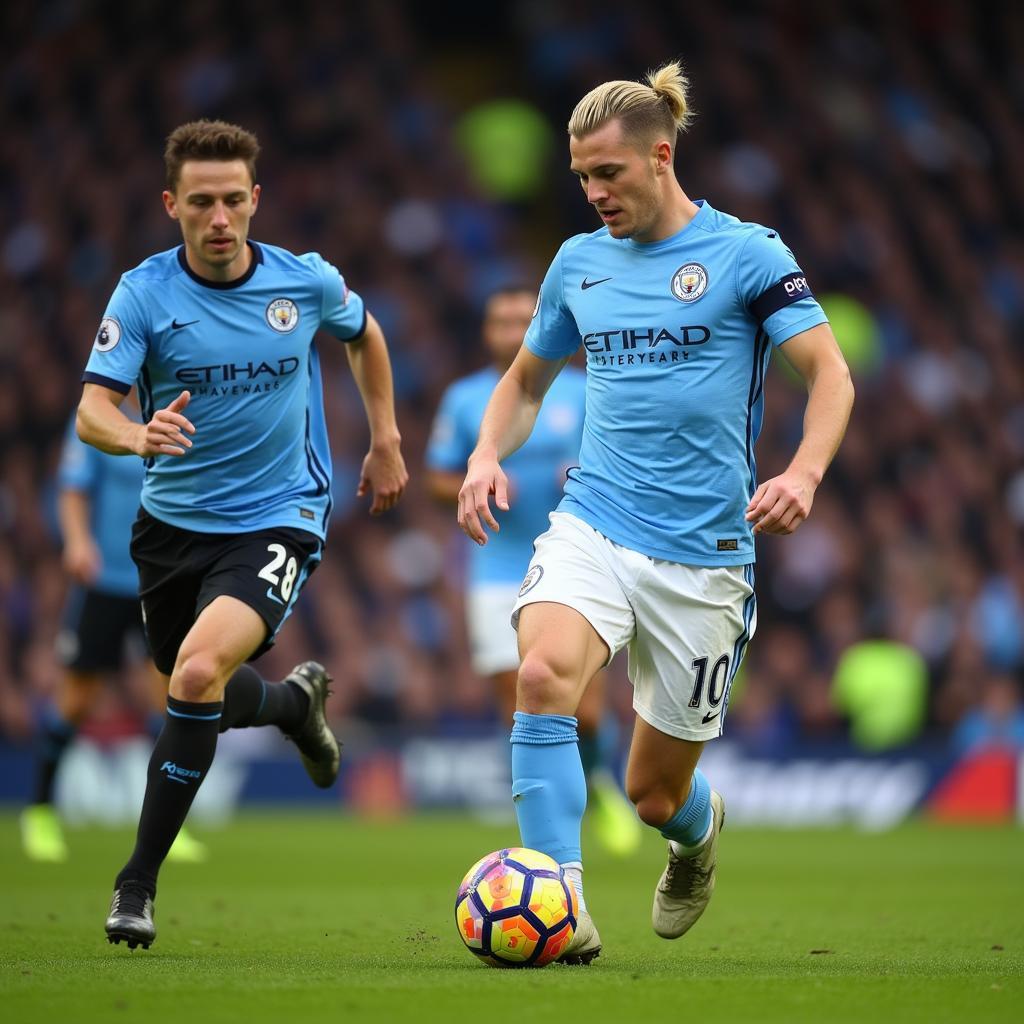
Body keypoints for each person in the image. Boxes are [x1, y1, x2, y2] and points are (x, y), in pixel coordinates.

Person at [458, 62, 854, 964]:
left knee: (652, 791)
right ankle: (561, 899)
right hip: (594, 521)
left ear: (662, 157)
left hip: (705, 555)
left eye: (610, 174)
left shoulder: (748, 254)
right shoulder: (576, 264)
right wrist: (486, 452)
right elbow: (524, 383)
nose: (595, 193)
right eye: (582, 178)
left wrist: (804, 472)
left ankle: (697, 837)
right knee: (543, 675)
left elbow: (831, 374)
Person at [77, 119, 408, 949]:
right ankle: (296, 704)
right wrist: (134, 435)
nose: (219, 217)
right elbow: (92, 410)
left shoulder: (305, 283)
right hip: (169, 527)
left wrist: (386, 437)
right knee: (190, 691)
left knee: (194, 673)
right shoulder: (144, 294)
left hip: (279, 515)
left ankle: (136, 886)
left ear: (255, 200)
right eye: (201, 203)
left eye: (233, 200)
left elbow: (364, 334)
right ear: (172, 205)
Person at [426, 286, 641, 856]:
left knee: (587, 711)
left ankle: (595, 787)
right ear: (488, 332)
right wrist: (477, 482)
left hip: (577, 560)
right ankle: (545, 822)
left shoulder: (589, 390)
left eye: (526, 319)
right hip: (498, 566)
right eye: (503, 320)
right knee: (519, 702)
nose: (515, 330)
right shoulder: (467, 400)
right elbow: (438, 477)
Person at [21, 405, 206, 864]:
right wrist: (79, 541)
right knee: (78, 700)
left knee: (167, 702)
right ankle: (41, 811)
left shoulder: (187, 411)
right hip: (103, 581)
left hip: (159, 581)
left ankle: (166, 823)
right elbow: (73, 488)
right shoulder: (100, 415)